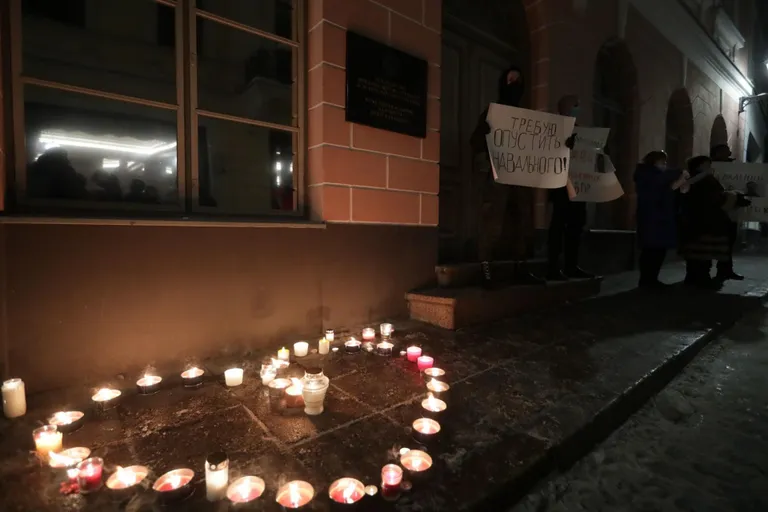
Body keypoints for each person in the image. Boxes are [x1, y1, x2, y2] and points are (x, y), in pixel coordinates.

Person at [469, 66, 541, 286]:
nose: (514, 84)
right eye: (510, 80)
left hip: (519, 178)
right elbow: (476, 143)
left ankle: (521, 267)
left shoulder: (527, 120)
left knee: (522, 221)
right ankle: (486, 269)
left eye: (518, 81)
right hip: (497, 177)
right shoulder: (491, 113)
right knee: (492, 223)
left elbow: (538, 148)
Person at [679, 155, 750, 288]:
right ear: (700, 165)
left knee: (695, 252)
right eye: (707, 164)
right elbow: (713, 198)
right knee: (703, 252)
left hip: (695, 220)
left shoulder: (692, 178)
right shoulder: (704, 179)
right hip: (706, 221)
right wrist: (732, 196)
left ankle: (693, 278)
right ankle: (701, 280)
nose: (709, 167)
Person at [546, 95, 594, 281]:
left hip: (579, 186)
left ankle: (571, 266)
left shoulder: (581, 131)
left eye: (578, 106)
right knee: (558, 227)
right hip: (559, 186)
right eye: (575, 105)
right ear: (564, 107)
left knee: (576, 227)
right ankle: (552, 267)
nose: (577, 109)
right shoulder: (553, 128)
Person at [634, 150, 689, 288]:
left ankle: (651, 279)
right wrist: (677, 180)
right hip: (652, 218)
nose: (665, 165)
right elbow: (658, 189)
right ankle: (647, 280)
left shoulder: (655, 175)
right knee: (651, 251)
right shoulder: (646, 174)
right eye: (663, 162)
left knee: (657, 251)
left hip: (660, 217)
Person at [710, 144, 743, 281]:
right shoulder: (711, 167)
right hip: (716, 213)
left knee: (729, 242)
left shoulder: (734, 166)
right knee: (718, 242)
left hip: (730, 213)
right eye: (725, 151)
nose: (729, 153)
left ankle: (726, 270)